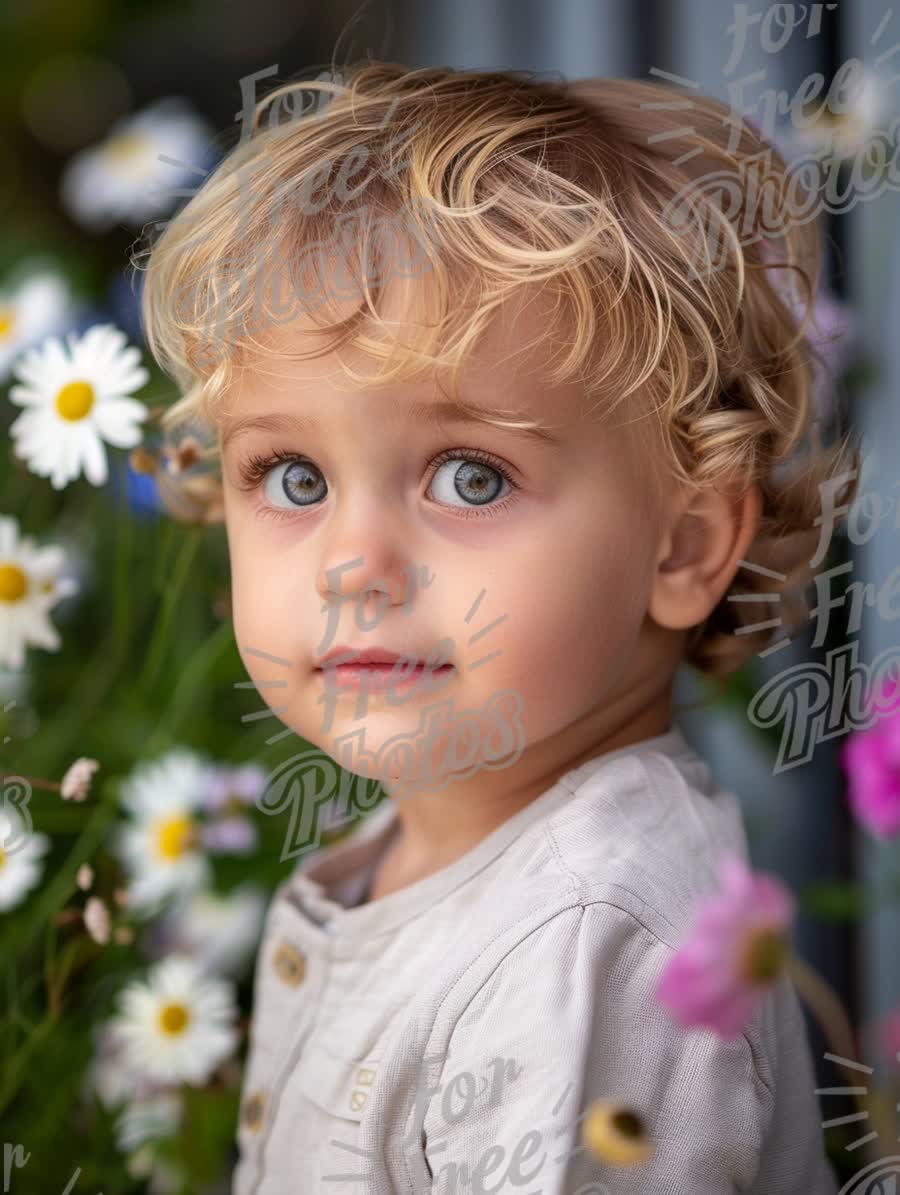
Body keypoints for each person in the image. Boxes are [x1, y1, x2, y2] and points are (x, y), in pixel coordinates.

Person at [138, 61, 855, 1193]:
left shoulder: (585, 950)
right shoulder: (423, 849)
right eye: (290, 475)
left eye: (471, 478)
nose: (352, 566)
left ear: (680, 545)